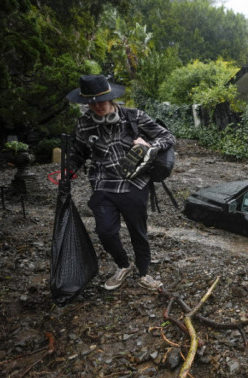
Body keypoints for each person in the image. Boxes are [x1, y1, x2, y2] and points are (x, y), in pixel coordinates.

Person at [63, 74, 176, 291]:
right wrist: (67, 171)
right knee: (105, 231)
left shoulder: (134, 117)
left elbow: (168, 137)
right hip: (103, 184)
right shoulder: (84, 124)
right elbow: (78, 152)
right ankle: (123, 265)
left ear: (110, 98)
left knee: (138, 231)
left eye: (100, 100)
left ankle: (144, 273)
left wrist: (149, 145)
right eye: (91, 102)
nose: (96, 106)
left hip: (134, 184)